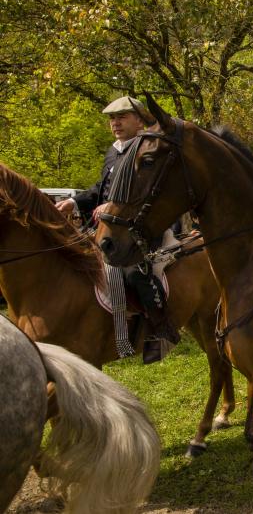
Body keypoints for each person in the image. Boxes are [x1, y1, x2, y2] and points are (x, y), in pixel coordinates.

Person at [55, 96, 179, 364]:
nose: (115, 123)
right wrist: (74, 202)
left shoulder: (148, 149)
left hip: (140, 228)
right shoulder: (114, 151)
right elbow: (100, 189)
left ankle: (162, 329)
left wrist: (111, 206)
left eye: (122, 117)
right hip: (109, 227)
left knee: (134, 271)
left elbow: (148, 191)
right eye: (112, 118)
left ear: (140, 120)